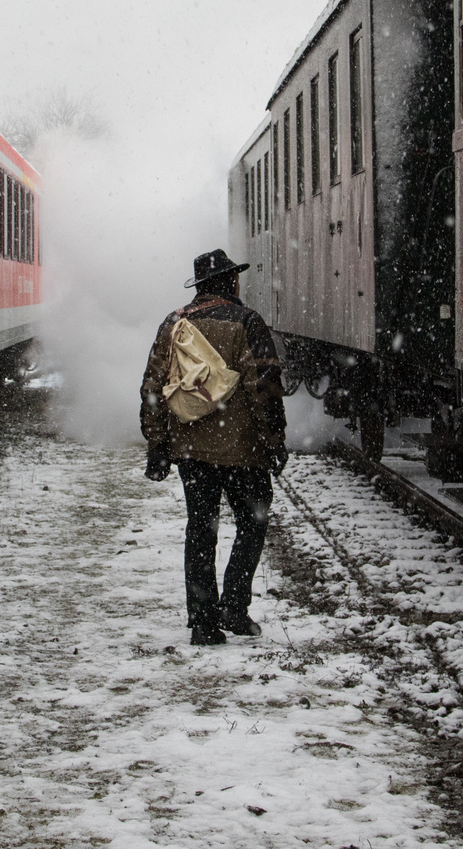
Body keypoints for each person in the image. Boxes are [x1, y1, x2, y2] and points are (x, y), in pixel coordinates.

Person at [140, 249, 288, 646]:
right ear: (230, 282)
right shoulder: (247, 321)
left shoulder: (174, 324)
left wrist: (157, 443)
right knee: (252, 524)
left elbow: (153, 386)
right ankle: (234, 608)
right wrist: (275, 439)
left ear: (201, 287)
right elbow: (266, 386)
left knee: (201, 530)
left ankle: (204, 622)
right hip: (243, 448)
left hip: (191, 448)